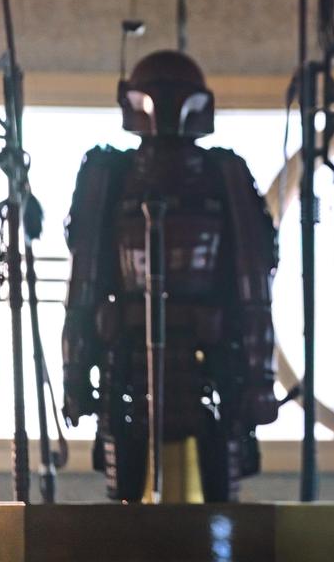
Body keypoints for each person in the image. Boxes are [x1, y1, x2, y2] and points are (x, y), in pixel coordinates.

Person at [62, 50, 280, 502]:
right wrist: (75, 372)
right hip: (127, 359)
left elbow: (253, 283)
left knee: (221, 499)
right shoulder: (110, 174)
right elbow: (84, 285)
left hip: (209, 360)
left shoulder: (224, 174)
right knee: (125, 499)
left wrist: (260, 377)